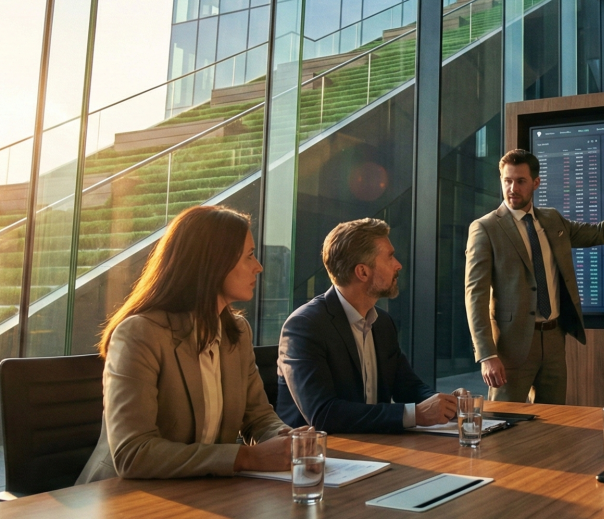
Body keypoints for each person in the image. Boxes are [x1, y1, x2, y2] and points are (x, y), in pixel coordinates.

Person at [77, 206, 299, 484]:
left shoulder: (237, 332)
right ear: (212, 263)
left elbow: (258, 417)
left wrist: (289, 440)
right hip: (123, 501)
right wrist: (245, 457)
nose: (259, 267)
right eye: (249, 256)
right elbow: (133, 453)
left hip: (199, 492)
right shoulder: (140, 334)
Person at [464, 148, 604, 403]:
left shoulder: (552, 220)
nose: (512, 188)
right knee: (505, 427)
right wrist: (487, 355)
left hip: (554, 339)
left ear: (536, 182)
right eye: (507, 181)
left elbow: (601, 232)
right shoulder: (485, 228)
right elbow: (475, 296)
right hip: (512, 347)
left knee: (555, 426)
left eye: (520, 181)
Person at [277, 218, 457, 433]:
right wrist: (415, 414)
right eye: (390, 257)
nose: (398, 265)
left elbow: (408, 387)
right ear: (362, 272)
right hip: (323, 456)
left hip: (375, 448)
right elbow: (323, 414)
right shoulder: (305, 326)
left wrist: (445, 404)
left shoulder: (383, 323)